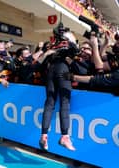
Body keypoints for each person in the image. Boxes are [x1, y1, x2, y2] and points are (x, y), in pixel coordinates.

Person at [39, 22, 78, 151]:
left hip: (51, 72)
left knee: (49, 103)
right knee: (65, 103)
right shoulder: (67, 41)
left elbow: (40, 62)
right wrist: (70, 39)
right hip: (63, 70)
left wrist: (49, 51)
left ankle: (44, 135)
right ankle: (65, 137)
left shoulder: (51, 45)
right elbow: (76, 50)